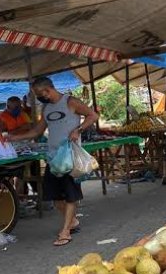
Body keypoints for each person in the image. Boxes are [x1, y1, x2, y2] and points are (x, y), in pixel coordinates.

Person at [7, 76, 99, 247]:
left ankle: (65, 232)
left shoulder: (71, 102)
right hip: (53, 158)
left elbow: (93, 115)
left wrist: (78, 130)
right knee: (54, 197)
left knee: (70, 196)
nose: (38, 97)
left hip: (70, 157)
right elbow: (37, 131)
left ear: (47, 90)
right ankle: (72, 222)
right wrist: (14, 137)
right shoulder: (47, 108)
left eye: (38, 94)